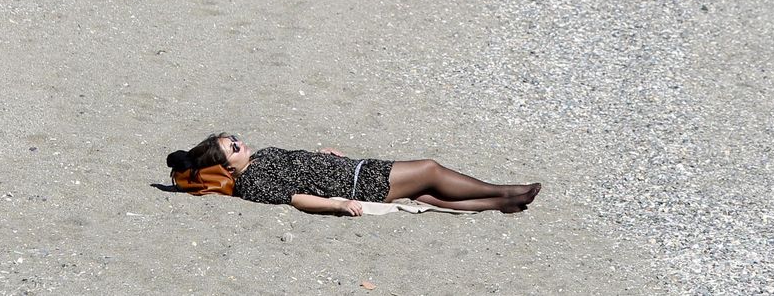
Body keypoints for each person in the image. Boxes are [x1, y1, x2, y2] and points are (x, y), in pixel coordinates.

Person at [166, 133, 542, 215]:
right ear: (227, 165)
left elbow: (300, 166)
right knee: (429, 170)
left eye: (236, 139)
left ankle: (499, 203)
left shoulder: (262, 159)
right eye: (234, 147)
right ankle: (506, 189)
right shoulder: (254, 183)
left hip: (351, 170)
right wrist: (338, 206)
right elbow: (296, 198)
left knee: (427, 195)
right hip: (359, 182)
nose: (241, 144)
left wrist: (323, 155)